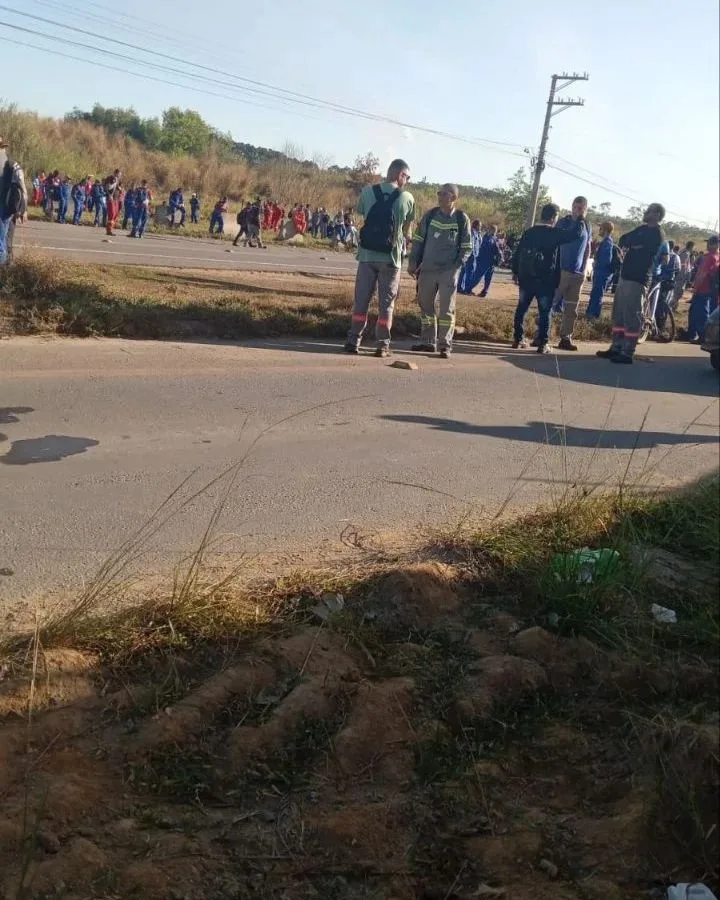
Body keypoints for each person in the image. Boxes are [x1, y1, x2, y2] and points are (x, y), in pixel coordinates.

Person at [344, 158, 415, 357]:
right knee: (386, 305)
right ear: (400, 175)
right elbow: (406, 230)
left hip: (366, 255)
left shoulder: (367, 191)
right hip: (391, 259)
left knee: (361, 302)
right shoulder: (407, 197)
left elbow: (362, 213)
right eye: (407, 177)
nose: (407, 181)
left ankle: (353, 340)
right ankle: (382, 345)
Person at [407, 184, 472, 358]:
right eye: (439, 193)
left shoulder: (461, 219)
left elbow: (466, 247)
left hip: (448, 271)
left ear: (453, 198)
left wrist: (456, 267)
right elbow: (418, 240)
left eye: (444, 194)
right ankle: (428, 342)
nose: (440, 196)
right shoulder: (430, 215)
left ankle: (445, 345)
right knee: (425, 306)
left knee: (446, 310)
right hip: (427, 269)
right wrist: (413, 261)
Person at [596, 202, 666, 364]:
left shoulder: (657, 233)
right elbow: (624, 239)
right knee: (619, 314)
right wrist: (635, 244)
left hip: (638, 279)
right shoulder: (641, 229)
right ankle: (616, 347)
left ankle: (627, 352)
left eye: (649, 211)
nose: (645, 212)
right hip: (624, 276)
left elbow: (645, 247)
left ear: (656, 214)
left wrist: (634, 245)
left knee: (632, 316)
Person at [510, 203, 585, 354]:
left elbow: (518, 253)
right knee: (545, 312)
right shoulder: (553, 233)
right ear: (553, 217)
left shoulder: (529, 232)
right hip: (545, 280)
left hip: (526, 279)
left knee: (522, 308)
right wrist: (580, 219)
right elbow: (576, 235)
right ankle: (543, 344)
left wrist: (516, 272)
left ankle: (518, 339)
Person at [554, 196, 592, 350]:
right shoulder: (564, 222)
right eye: (576, 207)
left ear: (586, 210)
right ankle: (540, 335)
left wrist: (584, 269)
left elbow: (587, 247)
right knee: (550, 303)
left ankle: (566, 338)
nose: (578, 211)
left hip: (577, 274)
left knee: (571, 308)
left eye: (581, 208)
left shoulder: (587, 225)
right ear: (571, 207)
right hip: (561, 271)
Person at [685, 235, 719, 342]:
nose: (707, 245)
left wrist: (695, 288)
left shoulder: (710, 257)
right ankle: (694, 334)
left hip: (703, 289)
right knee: (697, 312)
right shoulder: (716, 257)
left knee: (700, 314)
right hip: (709, 290)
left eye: (709, 243)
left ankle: (702, 336)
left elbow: (702, 274)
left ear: (714, 244)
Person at [0, 135, 28, 266]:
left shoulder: (11, 165)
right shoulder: (12, 165)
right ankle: (7, 267)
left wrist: (24, 210)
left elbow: (23, 189)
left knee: (4, 240)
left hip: (6, 208)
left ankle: (5, 269)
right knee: (5, 239)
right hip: (8, 207)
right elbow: (23, 189)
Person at [586, 221, 615, 319]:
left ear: (606, 230)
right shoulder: (605, 241)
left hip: (602, 273)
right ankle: (589, 314)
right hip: (599, 272)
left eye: (601, 228)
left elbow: (607, 260)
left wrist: (596, 263)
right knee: (595, 294)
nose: (599, 230)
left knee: (597, 295)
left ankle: (592, 316)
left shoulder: (608, 242)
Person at [475, 225, 502, 298]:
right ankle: (483, 291)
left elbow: (487, 249)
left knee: (482, 276)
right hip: (489, 260)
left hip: (488, 261)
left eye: (491, 230)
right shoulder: (492, 238)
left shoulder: (491, 238)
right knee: (484, 277)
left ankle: (484, 291)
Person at [457, 219, 481, 294]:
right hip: (471, 255)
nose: (480, 227)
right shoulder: (472, 233)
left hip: (470, 254)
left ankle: (461, 288)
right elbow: (472, 244)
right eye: (480, 226)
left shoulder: (475, 232)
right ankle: (467, 289)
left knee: (464, 271)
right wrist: (472, 254)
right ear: (477, 225)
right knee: (469, 272)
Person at [673, 240, 695, 308]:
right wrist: (687, 276)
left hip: (681, 276)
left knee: (679, 291)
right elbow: (683, 266)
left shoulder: (684, 252)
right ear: (691, 246)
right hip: (681, 276)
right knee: (678, 291)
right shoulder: (685, 253)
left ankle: (674, 305)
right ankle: (672, 305)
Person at [103, 169, 122, 236]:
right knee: (112, 214)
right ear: (115, 173)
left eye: (120, 175)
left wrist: (119, 189)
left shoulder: (117, 180)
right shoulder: (110, 178)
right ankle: (109, 230)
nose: (119, 176)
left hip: (116, 199)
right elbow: (107, 187)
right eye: (119, 174)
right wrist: (109, 195)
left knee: (115, 214)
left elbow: (118, 188)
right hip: (111, 198)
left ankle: (111, 229)